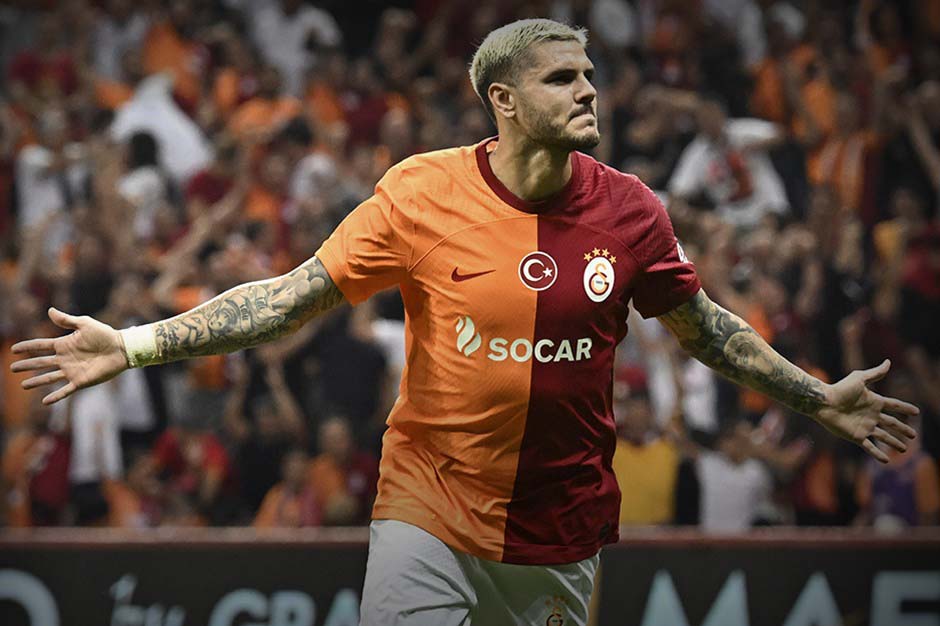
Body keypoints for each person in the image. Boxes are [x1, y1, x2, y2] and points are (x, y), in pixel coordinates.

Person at [9, 18, 920, 626]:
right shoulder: (419, 194)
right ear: (504, 101)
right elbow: (287, 297)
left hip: (559, 527)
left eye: (589, 75)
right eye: (562, 78)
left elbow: (707, 329)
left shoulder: (633, 211)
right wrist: (135, 343)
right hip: (430, 508)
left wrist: (815, 398)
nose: (588, 91)